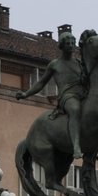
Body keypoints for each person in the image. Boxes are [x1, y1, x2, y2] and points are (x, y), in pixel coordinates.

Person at [14, 25, 88, 161]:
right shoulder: (55, 64)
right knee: (75, 109)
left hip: (83, 94)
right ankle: (76, 146)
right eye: (68, 44)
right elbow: (41, 83)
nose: (71, 46)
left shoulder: (79, 62)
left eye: (73, 43)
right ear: (61, 46)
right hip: (68, 96)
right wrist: (26, 94)